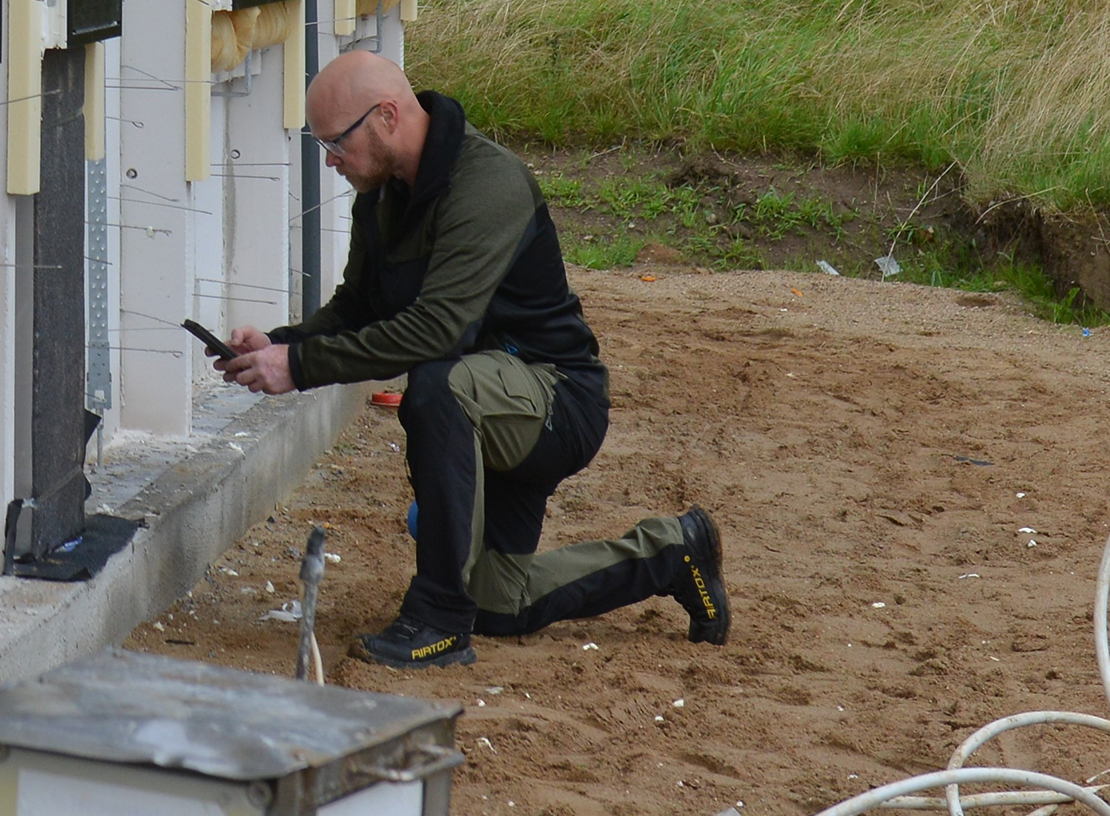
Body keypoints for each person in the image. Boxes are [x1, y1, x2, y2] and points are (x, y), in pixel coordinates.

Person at [213, 51, 729, 669]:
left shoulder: (487, 183)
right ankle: (675, 552)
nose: (329, 159)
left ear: (386, 116)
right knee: (500, 603)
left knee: (437, 386)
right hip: (481, 411)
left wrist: (300, 368)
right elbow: (357, 308)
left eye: (334, 142)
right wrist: (281, 345)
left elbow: (436, 331)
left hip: (554, 401)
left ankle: (437, 618)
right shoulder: (380, 197)